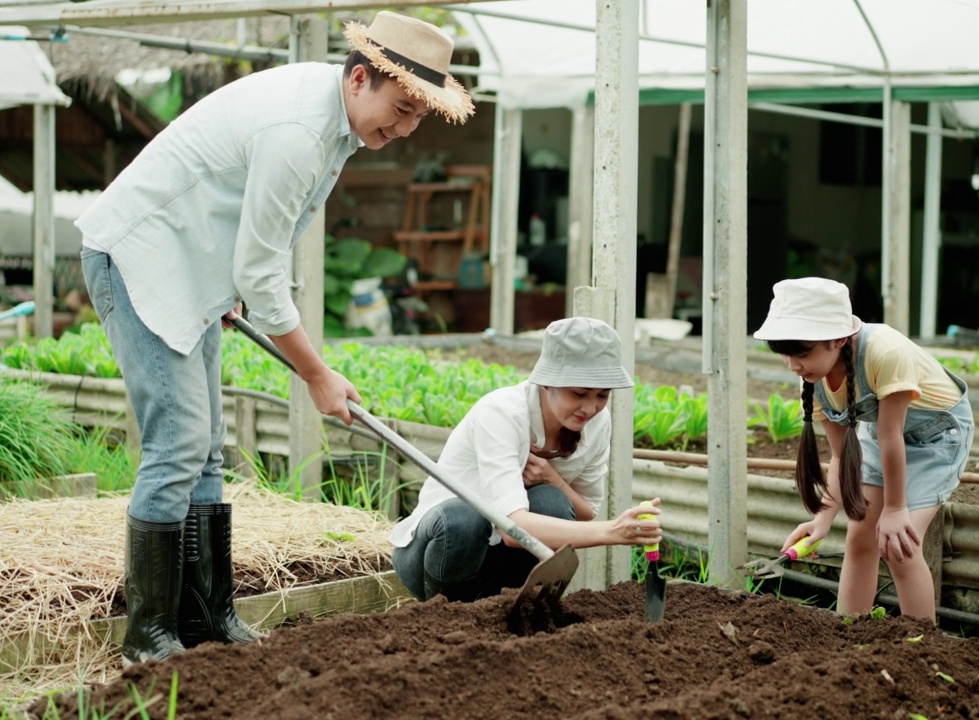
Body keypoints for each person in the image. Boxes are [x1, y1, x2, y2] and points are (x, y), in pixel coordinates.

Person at [76, 12, 475, 665]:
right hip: (139, 258)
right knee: (176, 445)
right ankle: (147, 636)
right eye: (400, 108)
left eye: (417, 117)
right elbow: (261, 271)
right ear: (359, 78)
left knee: (204, 451)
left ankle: (205, 619)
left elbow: (257, 234)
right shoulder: (298, 129)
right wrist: (317, 373)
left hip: (190, 269)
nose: (403, 128)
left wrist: (229, 294)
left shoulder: (339, 125)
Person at [391, 317, 663, 602]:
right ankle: (446, 614)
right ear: (547, 382)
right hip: (436, 555)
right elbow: (511, 528)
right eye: (579, 394)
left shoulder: (597, 423)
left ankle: (514, 606)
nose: (590, 407)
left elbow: (584, 512)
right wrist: (613, 531)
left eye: (602, 396)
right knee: (466, 516)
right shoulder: (502, 414)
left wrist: (552, 478)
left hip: (497, 564)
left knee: (552, 501)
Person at [752, 277, 973, 621]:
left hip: (937, 437)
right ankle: (849, 635)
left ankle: (923, 648)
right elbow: (842, 455)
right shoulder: (813, 377)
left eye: (802, 353)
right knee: (860, 536)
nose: (793, 365)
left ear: (838, 338)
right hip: (883, 434)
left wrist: (896, 509)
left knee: (899, 545)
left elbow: (891, 436)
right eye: (785, 354)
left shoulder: (885, 351)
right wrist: (823, 519)